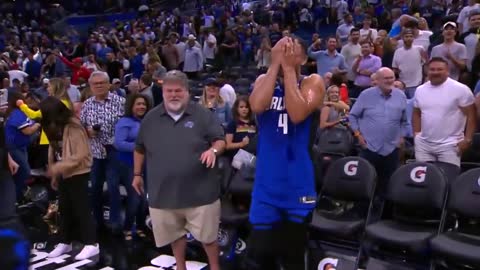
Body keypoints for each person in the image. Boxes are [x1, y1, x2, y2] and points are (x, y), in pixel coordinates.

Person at [133, 70, 225, 270]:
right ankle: (180, 267)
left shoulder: (202, 115)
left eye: (178, 91)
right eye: (169, 91)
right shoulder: (150, 118)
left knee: (208, 238)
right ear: (163, 92)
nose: (173, 95)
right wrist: (137, 174)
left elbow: (220, 140)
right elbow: (139, 148)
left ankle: (215, 267)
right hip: (164, 193)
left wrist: (213, 150)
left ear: (187, 92)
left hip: (201, 193)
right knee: (175, 236)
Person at [247, 36, 325, 269]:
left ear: (302, 57)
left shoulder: (313, 81)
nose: (283, 54)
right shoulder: (264, 79)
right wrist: (274, 65)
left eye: (290, 50)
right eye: (280, 50)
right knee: (261, 253)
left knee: (293, 255)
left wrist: (289, 70)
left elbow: (298, 113)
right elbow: (257, 106)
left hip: (297, 182)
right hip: (266, 184)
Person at [39, 97, 99, 260]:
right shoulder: (50, 125)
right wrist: (55, 171)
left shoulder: (73, 126)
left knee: (81, 208)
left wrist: (58, 167)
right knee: (65, 209)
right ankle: (66, 241)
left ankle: (91, 243)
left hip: (78, 171)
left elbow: (81, 154)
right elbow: (53, 148)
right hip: (63, 171)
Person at [413, 57, 476, 175]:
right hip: (424, 145)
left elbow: (472, 115)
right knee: (424, 181)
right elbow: (416, 113)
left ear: (447, 71)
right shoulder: (420, 90)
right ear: (427, 71)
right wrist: (416, 134)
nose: (435, 72)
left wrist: (468, 139)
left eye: (439, 69)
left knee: (449, 180)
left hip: (450, 145)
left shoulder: (460, 89)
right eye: (432, 69)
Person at [349, 67, 408, 185]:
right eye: (386, 78)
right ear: (378, 80)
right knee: (364, 183)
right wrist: (358, 135)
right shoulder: (366, 95)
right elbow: (352, 116)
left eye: (391, 78)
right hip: (369, 147)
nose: (389, 81)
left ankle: (383, 203)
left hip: (392, 149)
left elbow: (404, 121)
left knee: (387, 184)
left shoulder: (401, 96)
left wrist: (401, 138)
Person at [114, 94, 151, 241]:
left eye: (143, 104)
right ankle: (128, 227)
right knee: (135, 198)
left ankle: (141, 226)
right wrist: (140, 148)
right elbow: (119, 143)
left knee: (144, 199)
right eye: (138, 104)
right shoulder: (124, 122)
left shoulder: (147, 121)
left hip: (146, 164)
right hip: (128, 164)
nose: (142, 107)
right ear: (131, 106)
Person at [5, 92, 42, 201]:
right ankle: (13, 198)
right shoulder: (16, 113)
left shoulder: (20, 112)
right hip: (13, 147)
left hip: (21, 146)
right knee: (24, 172)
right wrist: (38, 125)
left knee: (21, 173)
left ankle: (18, 196)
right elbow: (28, 130)